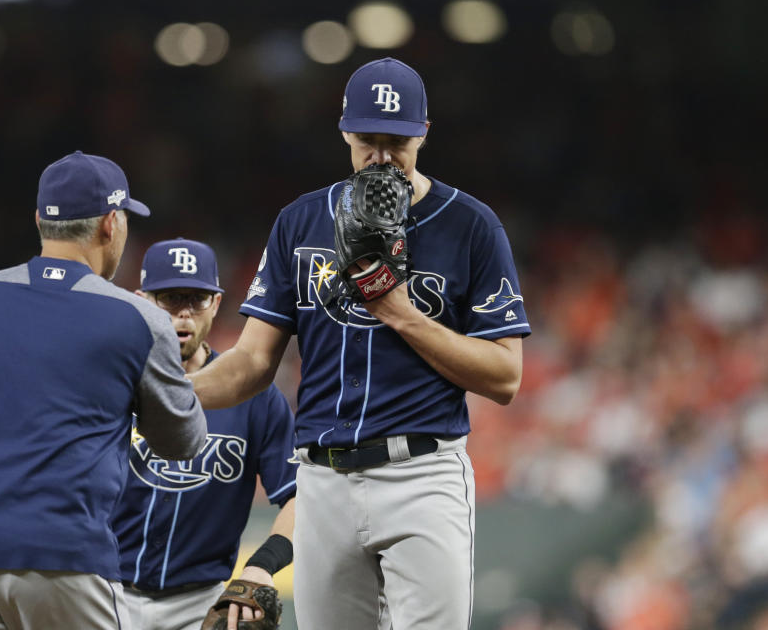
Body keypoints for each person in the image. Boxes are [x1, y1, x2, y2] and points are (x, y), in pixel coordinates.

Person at [189, 57, 531, 630]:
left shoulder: (470, 226)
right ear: (345, 132)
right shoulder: (301, 222)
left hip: (422, 474)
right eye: (367, 140)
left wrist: (400, 314)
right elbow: (250, 361)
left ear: (424, 134)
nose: (380, 156)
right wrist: (165, 391)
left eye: (397, 142)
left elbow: (506, 377)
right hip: (322, 482)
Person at [0, 151, 207, 630]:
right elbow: (182, 442)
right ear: (110, 224)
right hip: (63, 554)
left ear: (40, 220)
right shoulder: (139, 320)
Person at [111, 238, 297, 630]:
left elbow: (302, 497)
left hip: (201, 604)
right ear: (141, 299)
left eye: (195, 299)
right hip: (103, 592)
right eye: (169, 298)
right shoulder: (107, 385)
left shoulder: (255, 398)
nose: (182, 314)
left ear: (215, 303)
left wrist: (263, 566)